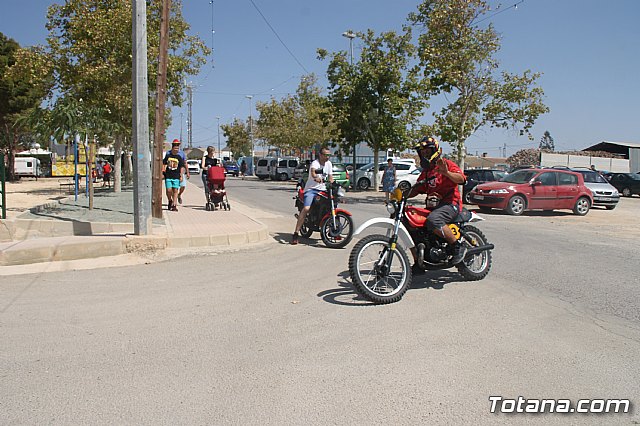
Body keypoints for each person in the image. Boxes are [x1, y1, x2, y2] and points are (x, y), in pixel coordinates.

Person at [407, 136, 467, 269]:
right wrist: (400, 195)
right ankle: (419, 262)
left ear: (435, 150)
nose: (424, 155)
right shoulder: (426, 172)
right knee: (410, 223)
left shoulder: (446, 164)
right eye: (422, 153)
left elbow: (462, 179)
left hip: (451, 204)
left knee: (433, 220)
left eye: (427, 151)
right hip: (433, 206)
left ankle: (458, 245)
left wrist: (446, 173)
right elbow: (417, 189)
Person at [291, 147, 334, 245]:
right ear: (321, 155)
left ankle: (332, 229)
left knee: (332, 205)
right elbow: (313, 172)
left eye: (329, 155)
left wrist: (332, 181)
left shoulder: (329, 164)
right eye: (326, 155)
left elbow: (331, 176)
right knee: (306, 208)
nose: (328, 157)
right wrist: (316, 178)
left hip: (323, 189)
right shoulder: (315, 163)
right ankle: (296, 234)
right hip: (312, 189)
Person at [163, 141, 186, 211]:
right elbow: (163, 163)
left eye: (177, 149)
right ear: (172, 148)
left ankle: (174, 204)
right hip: (168, 176)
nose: (176, 150)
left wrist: (181, 175)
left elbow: (182, 167)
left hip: (176, 176)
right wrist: (163, 171)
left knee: (175, 190)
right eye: (175, 148)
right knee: (169, 190)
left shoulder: (179, 157)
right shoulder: (168, 156)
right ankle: (170, 200)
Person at [166, 139, 189, 205]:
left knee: (183, 186)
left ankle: (179, 195)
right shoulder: (168, 153)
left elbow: (184, 163)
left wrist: (187, 172)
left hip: (180, 172)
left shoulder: (181, 153)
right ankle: (173, 202)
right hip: (171, 174)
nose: (177, 146)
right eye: (175, 144)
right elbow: (165, 163)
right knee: (173, 189)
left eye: (178, 144)